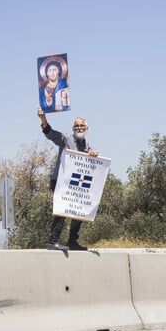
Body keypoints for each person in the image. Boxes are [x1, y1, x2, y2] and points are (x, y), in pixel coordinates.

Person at [38, 107, 99, 250]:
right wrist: (43, 119)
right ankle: (53, 242)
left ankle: (72, 242)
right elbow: (50, 133)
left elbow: (93, 162)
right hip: (60, 181)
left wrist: (94, 155)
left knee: (79, 210)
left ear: (86, 128)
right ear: (73, 128)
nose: (79, 127)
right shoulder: (65, 139)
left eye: (81, 125)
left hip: (77, 184)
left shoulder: (87, 146)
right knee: (62, 210)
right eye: (77, 125)